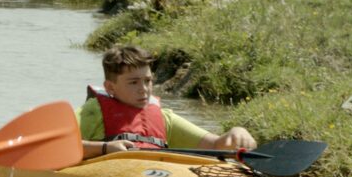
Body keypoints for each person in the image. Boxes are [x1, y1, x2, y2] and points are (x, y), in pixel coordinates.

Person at [78, 44, 257, 159]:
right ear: (110, 87)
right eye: (133, 82)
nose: (144, 89)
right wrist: (104, 148)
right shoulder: (92, 113)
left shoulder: (164, 119)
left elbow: (216, 145)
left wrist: (237, 133)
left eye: (147, 81)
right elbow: (52, 146)